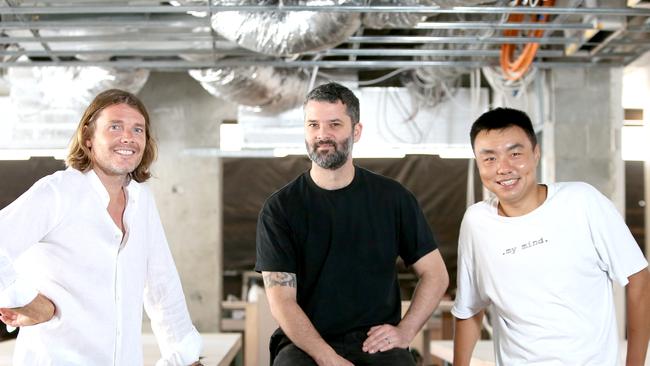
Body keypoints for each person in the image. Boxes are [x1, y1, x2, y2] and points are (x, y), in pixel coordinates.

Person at [0, 89, 203, 365]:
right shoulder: (59, 192)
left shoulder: (142, 199)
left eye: (137, 129)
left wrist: (185, 355)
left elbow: (161, 283)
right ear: (88, 137)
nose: (128, 137)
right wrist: (27, 301)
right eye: (115, 126)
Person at [255, 82, 449, 366]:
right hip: (306, 345)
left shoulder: (393, 199)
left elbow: (436, 274)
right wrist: (327, 357)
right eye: (313, 125)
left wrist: (406, 331)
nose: (322, 135)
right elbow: (282, 301)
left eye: (334, 124)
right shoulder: (280, 209)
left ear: (356, 131)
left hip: (374, 341)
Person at [452, 107, 650, 365]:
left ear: (535, 154)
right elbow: (469, 308)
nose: (503, 168)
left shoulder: (582, 202)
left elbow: (639, 279)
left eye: (515, 153)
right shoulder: (476, 222)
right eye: (489, 159)